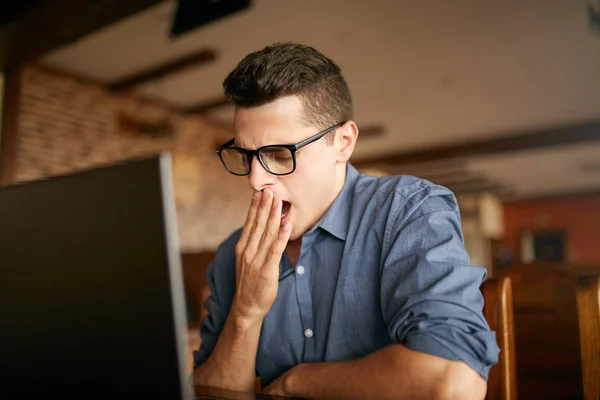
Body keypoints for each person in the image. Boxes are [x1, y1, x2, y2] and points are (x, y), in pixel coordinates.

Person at [192, 42, 499, 400]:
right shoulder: (235, 253)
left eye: (278, 154)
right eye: (246, 155)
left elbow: (453, 383)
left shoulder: (408, 212)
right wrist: (244, 314)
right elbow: (205, 391)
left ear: (343, 142)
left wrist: (298, 381)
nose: (255, 180)